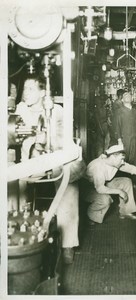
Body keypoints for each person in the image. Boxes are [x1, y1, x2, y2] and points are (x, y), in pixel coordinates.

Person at [15, 73, 86, 264]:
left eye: (30, 89)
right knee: (16, 184)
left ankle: (68, 245)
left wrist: (48, 142)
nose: (25, 93)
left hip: (56, 158)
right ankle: (20, 233)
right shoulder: (19, 110)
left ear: (43, 92)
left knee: (69, 185)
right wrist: (33, 145)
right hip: (31, 161)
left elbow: (64, 140)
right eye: (24, 89)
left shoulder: (58, 111)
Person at [84, 144, 136, 224]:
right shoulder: (98, 166)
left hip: (102, 184)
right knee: (105, 200)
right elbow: (100, 188)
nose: (122, 162)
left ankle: (126, 212)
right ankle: (90, 217)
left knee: (126, 181)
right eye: (121, 159)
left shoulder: (115, 162)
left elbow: (133, 169)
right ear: (113, 156)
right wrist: (120, 192)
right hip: (88, 188)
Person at [114, 91, 136, 190]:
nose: (128, 97)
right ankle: (123, 183)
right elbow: (117, 126)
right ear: (122, 100)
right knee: (124, 161)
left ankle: (133, 183)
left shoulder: (134, 111)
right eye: (125, 95)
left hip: (133, 138)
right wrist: (119, 140)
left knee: (133, 161)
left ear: (132, 98)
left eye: (129, 95)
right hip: (124, 139)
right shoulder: (119, 111)